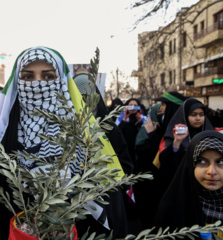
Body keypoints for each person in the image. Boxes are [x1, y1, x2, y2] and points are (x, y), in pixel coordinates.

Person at [0, 46, 126, 240]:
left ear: (61, 82)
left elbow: (102, 198)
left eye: (48, 77)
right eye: (28, 77)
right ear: (17, 82)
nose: (37, 84)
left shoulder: (81, 135)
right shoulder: (1, 135)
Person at [73, 73, 132, 238]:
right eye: (79, 97)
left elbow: (125, 163)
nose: (85, 103)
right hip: (75, 204)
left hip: (108, 200)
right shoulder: (65, 128)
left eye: (88, 97)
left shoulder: (109, 127)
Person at [155, 130, 223, 235]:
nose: (212, 171)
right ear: (191, 165)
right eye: (202, 161)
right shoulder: (172, 208)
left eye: (220, 162)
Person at [134, 92, 186, 229]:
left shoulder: (180, 134)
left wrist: (152, 135)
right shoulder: (162, 128)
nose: (161, 108)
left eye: (164, 104)